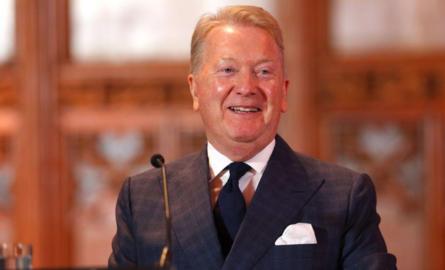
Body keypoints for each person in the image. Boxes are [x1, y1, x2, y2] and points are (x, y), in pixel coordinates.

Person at [108, 5, 397, 270]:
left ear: (283, 92)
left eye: (263, 71)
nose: (246, 86)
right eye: (228, 70)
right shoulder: (146, 197)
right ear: (195, 90)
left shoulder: (343, 196)